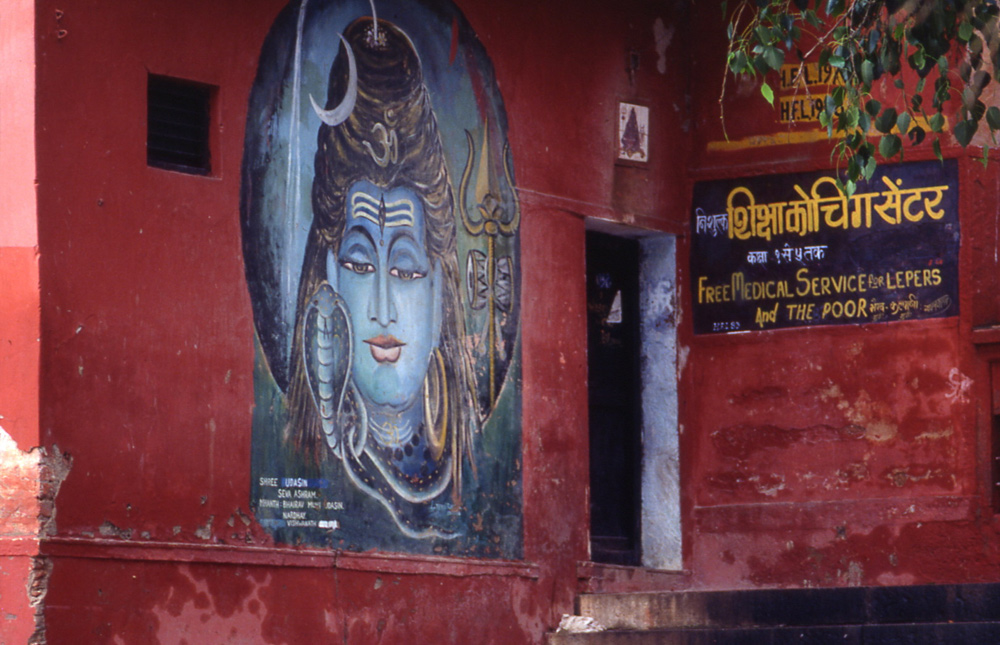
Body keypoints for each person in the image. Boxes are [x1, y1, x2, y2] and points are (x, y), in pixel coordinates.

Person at [284, 15, 476, 537]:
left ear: (440, 288)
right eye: (361, 266)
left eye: (408, 270)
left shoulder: (463, 456)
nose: (383, 307)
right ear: (328, 274)